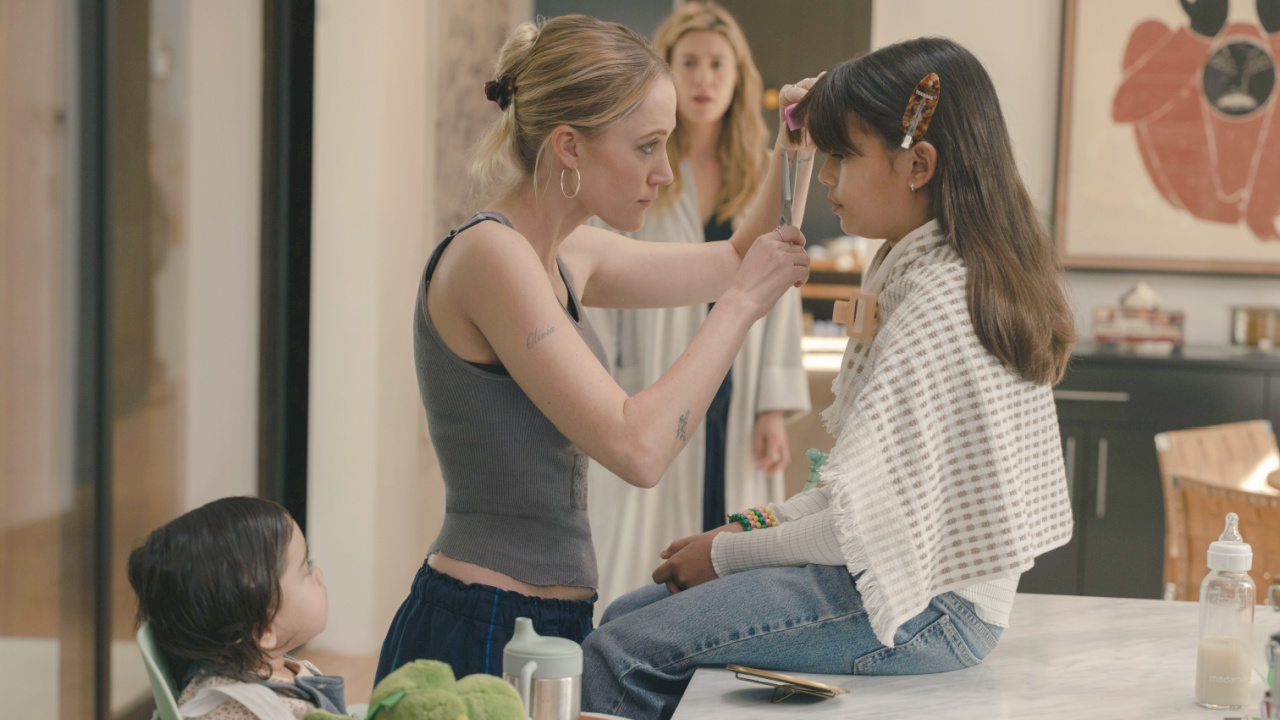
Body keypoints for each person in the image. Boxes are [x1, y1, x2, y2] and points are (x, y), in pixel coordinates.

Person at [580, 36, 1078, 720]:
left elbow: (859, 531)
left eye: (843, 156)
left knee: (618, 649)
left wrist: (729, 552)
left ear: (919, 165)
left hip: (930, 612)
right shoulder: (927, 268)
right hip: (923, 592)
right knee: (635, 611)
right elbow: (858, 492)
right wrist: (746, 531)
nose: (831, 179)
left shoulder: (937, 301)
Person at [374, 15, 814, 683]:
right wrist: (742, 307)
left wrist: (792, 142)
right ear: (570, 146)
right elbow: (638, 448)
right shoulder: (491, 255)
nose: (665, 172)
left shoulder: (568, 253)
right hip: (482, 626)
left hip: (548, 624)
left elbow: (734, 257)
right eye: (646, 147)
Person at [584, 0, 812, 614]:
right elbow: (601, 279)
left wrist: (771, 405)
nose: (704, 78)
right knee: (641, 536)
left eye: (718, 64)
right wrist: (607, 381)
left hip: (736, 384)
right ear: (667, 73)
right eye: (689, 63)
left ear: (739, 76)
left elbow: (778, 276)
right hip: (654, 373)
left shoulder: (756, 173)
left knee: (730, 524)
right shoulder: (645, 169)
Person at [127, 497, 343, 718]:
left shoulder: (274, 667)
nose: (318, 573)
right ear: (263, 629)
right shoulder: (234, 709)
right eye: (305, 569)